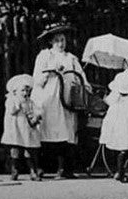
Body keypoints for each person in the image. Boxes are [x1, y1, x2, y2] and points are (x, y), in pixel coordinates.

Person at [31, 23, 86, 178]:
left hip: (66, 99)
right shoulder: (44, 56)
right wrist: (50, 72)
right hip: (48, 98)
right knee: (47, 129)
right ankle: (40, 167)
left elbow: (80, 77)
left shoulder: (71, 58)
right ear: (51, 42)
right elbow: (37, 79)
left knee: (67, 131)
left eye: (63, 40)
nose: (61, 44)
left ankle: (65, 169)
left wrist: (83, 87)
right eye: (57, 40)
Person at [1, 74, 42, 181]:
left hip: (26, 129)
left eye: (27, 91)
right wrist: (18, 105)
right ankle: (14, 170)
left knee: (28, 150)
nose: (25, 93)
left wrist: (37, 115)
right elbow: (12, 111)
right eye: (22, 90)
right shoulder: (11, 100)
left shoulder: (30, 102)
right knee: (15, 150)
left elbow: (36, 110)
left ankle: (32, 171)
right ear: (15, 91)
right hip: (15, 129)